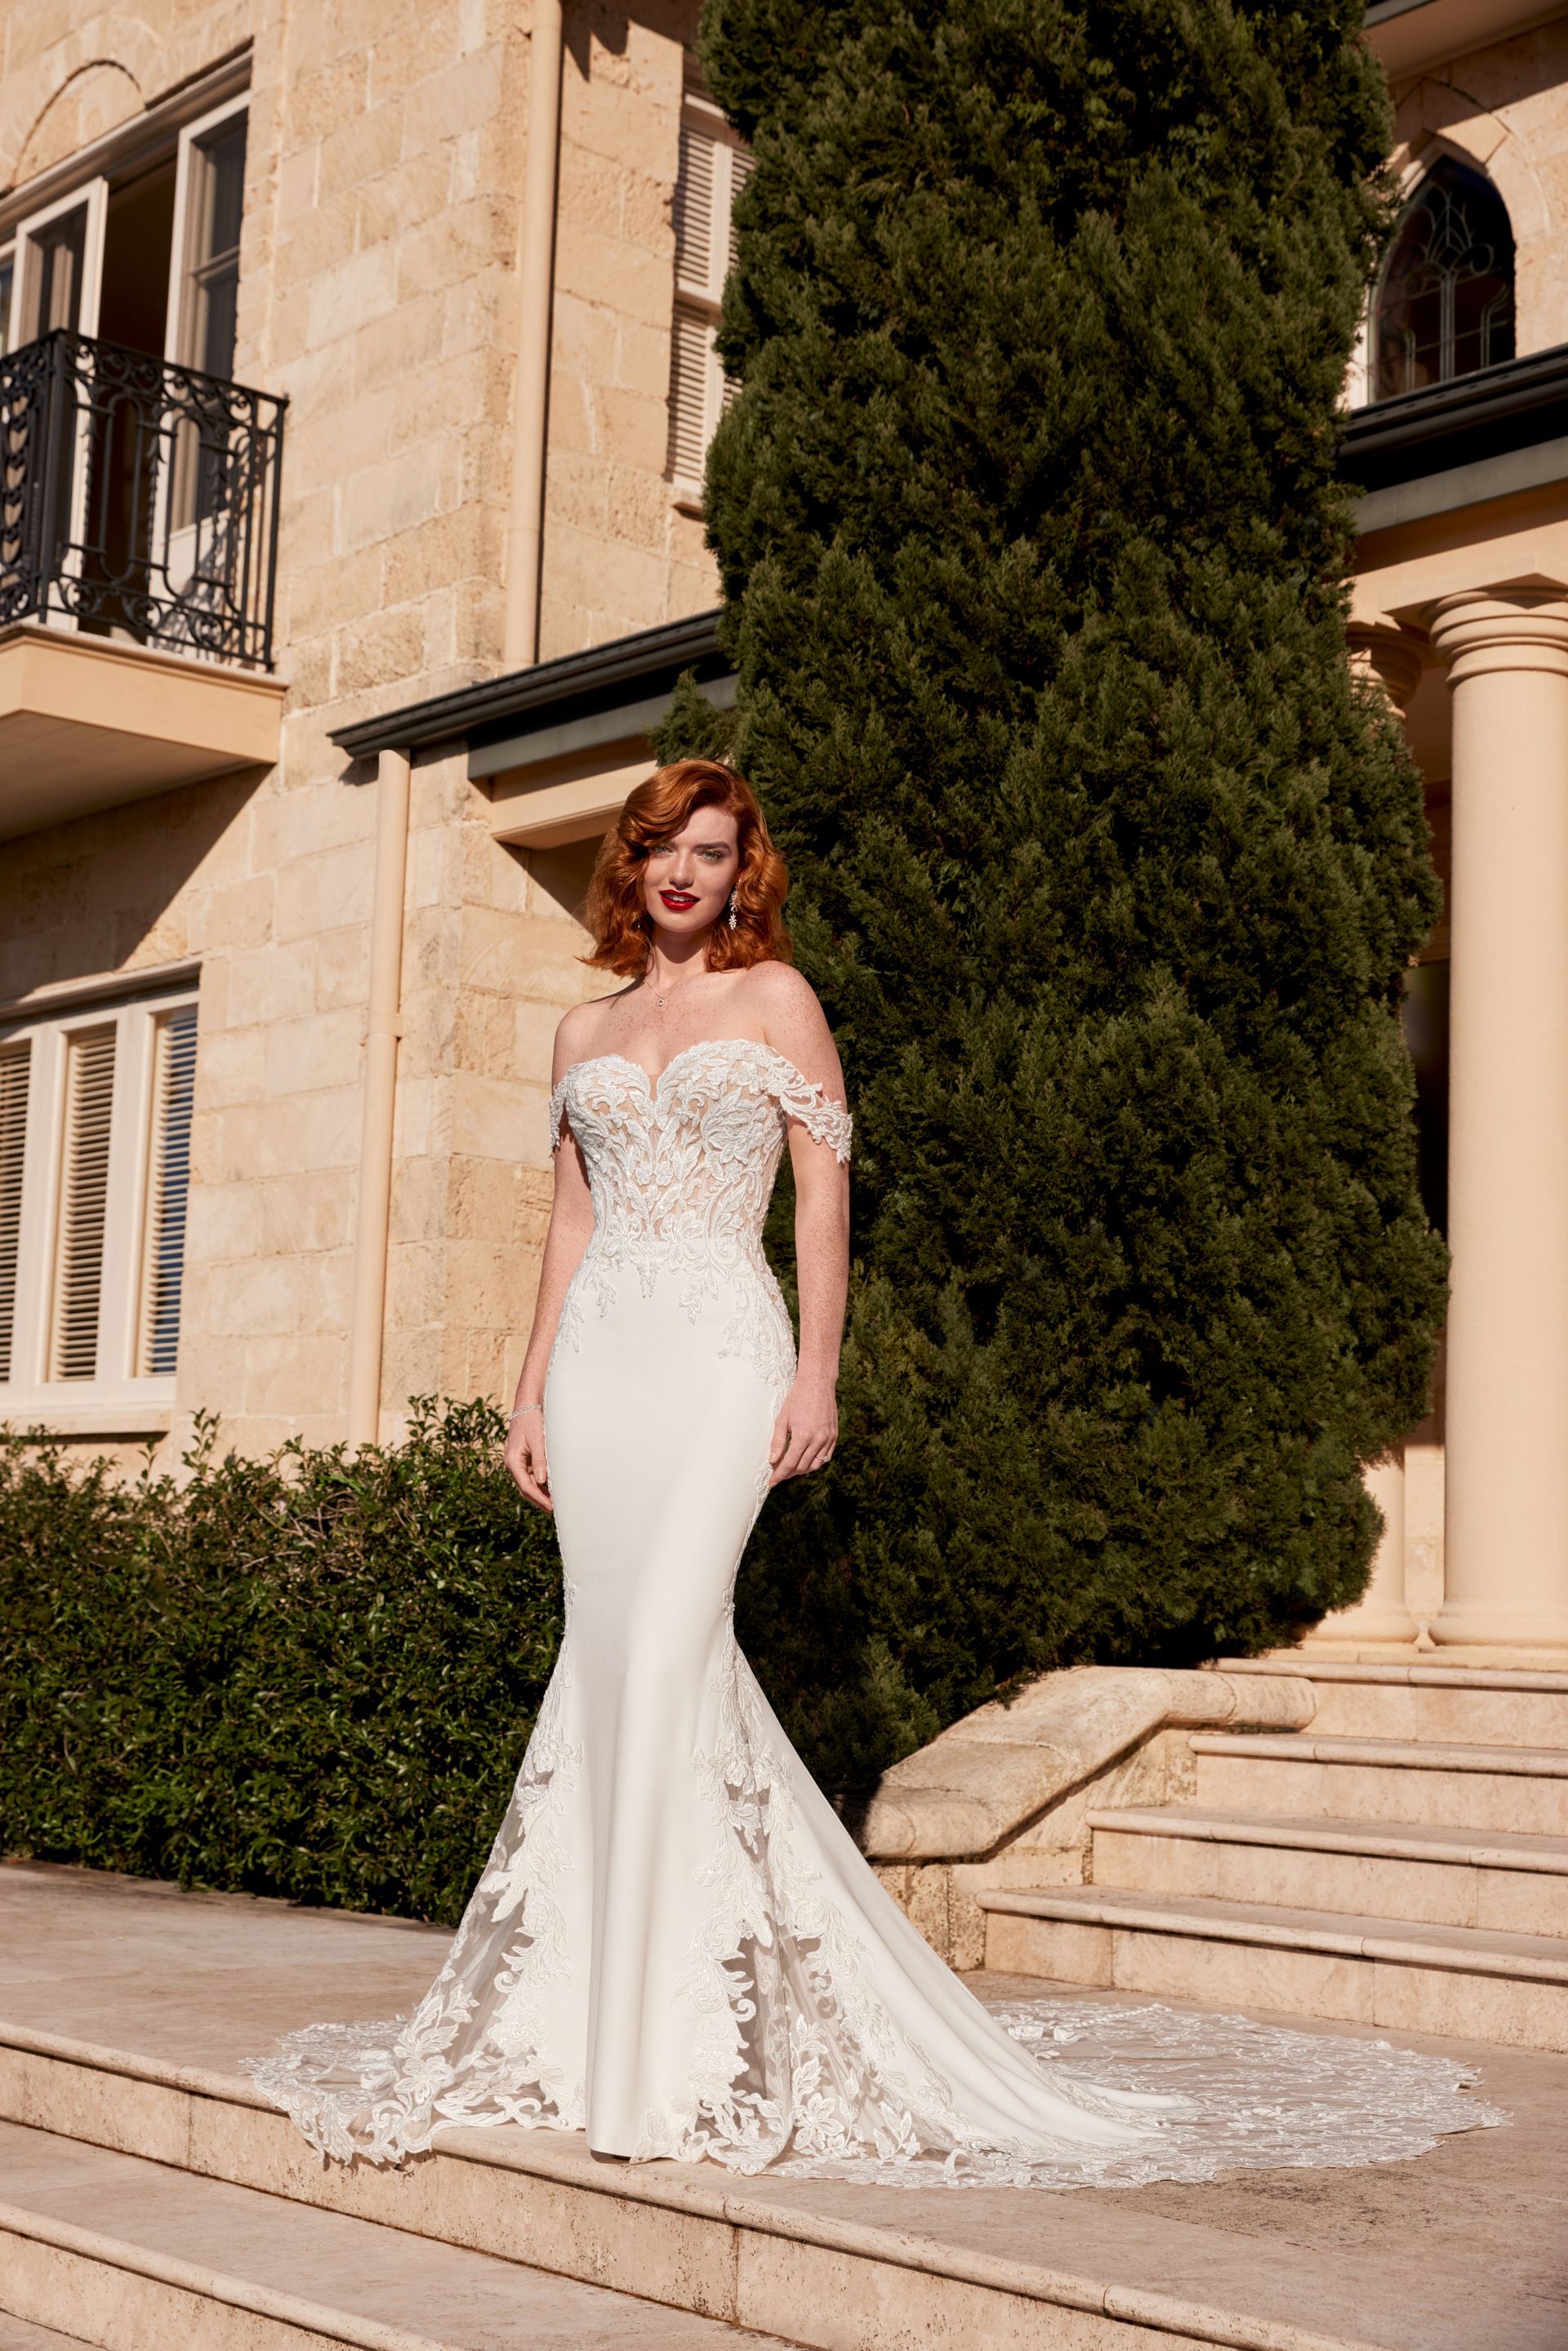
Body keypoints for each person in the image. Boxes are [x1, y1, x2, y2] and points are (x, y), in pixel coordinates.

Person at [248, 759, 1497, 2185]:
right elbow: (568, 1226)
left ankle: (675, 2051)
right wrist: (526, 1391)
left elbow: (824, 1194)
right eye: (662, 847)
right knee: (610, 1669)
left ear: (740, 873)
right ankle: (600, 2024)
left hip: (723, 1348)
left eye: (710, 852)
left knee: (666, 1648)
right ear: (632, 862)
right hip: (602, 1370)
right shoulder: (579, 1027)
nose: (682, 872)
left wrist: (817, 1369)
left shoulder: (778, 1003)